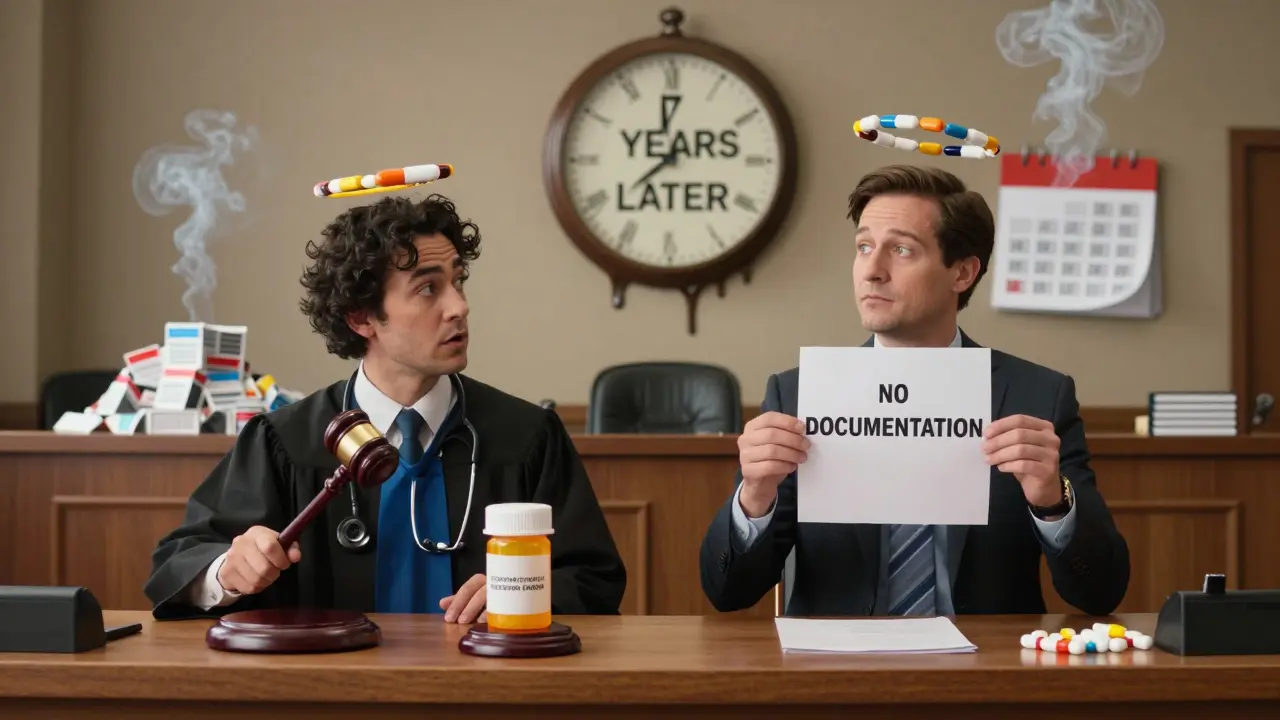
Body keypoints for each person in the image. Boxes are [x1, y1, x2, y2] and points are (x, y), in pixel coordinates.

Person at [145, 193, 626, 622]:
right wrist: (229, 572)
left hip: (488, 693)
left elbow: (592, 578)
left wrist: (524, 592)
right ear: (361, 317)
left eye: (458, 281)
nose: (459, 306)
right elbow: (179, 563)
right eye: (427, 288)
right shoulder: (285, 442)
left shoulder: (527, 436)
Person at [699, 165, 1129, 618]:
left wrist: (1052, 501)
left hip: (986, 671)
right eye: (864, 247)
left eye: (901, 250)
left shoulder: (1038, 396)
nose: (872, 271)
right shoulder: (798, 394)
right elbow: (726, 593)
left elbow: (1102, 592)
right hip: (835, 673)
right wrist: (754, 497)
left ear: (962, 272)